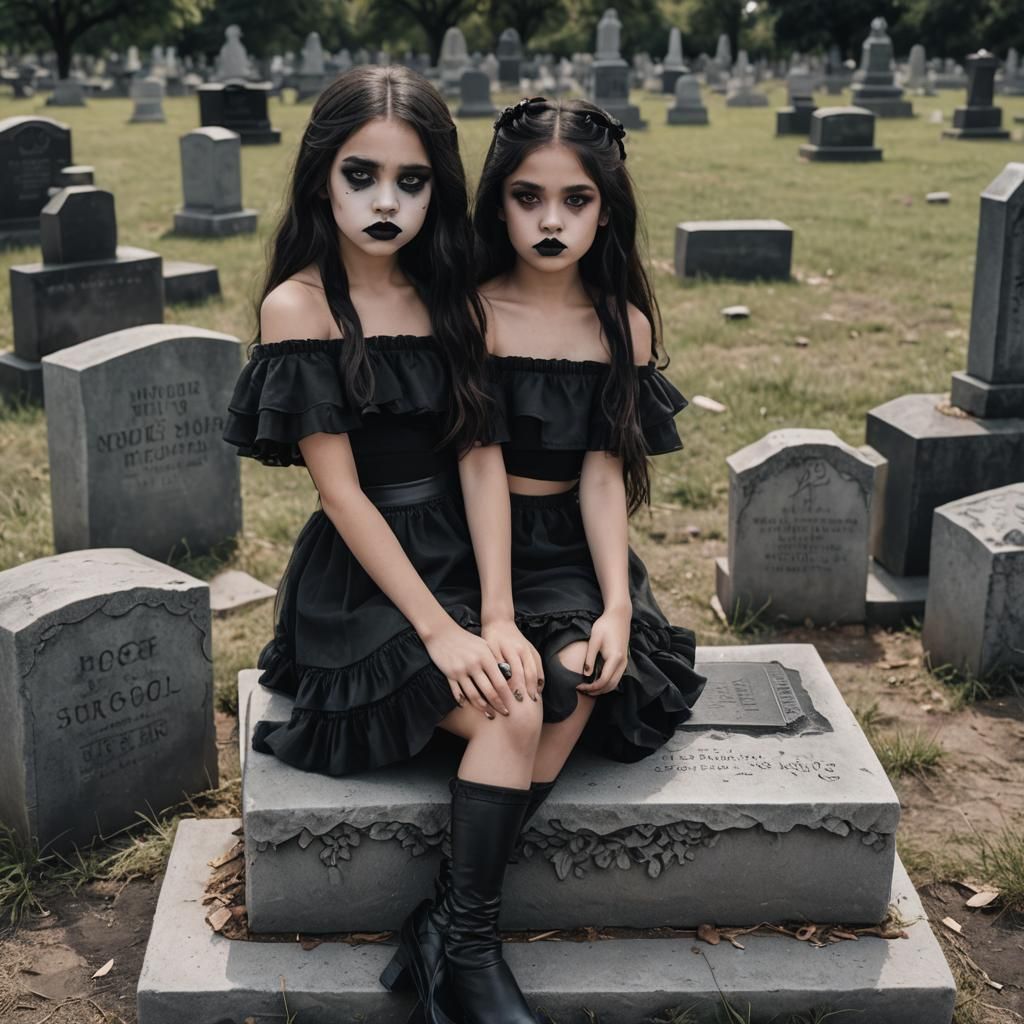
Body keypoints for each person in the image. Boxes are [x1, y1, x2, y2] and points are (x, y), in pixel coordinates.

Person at [221, 67, 553, 1024]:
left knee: (546, 685)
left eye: (411, 182)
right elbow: (341, 493)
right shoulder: (300, 306)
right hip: (361, 578)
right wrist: (443, 634)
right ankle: (469, 954)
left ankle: (445, 934)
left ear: (436, 191)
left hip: (464, 551)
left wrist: (496, 614)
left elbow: (482, 459)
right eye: (360, 176)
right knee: (510, 714)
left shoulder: (455, 298)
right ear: (321, 178)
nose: (385, 203)